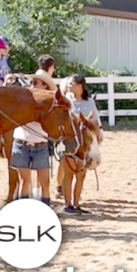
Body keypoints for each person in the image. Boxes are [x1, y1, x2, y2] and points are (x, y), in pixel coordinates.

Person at [57, 74, 102, 215]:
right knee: (69, 173)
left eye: (72, 83)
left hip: (84, 141)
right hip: (69, 140)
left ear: (80, 85)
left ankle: (76, 203)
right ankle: (67, 204)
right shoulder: (66, 100)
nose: (69, 86)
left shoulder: (89, 102)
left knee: (81, 174)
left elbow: (95, 120)